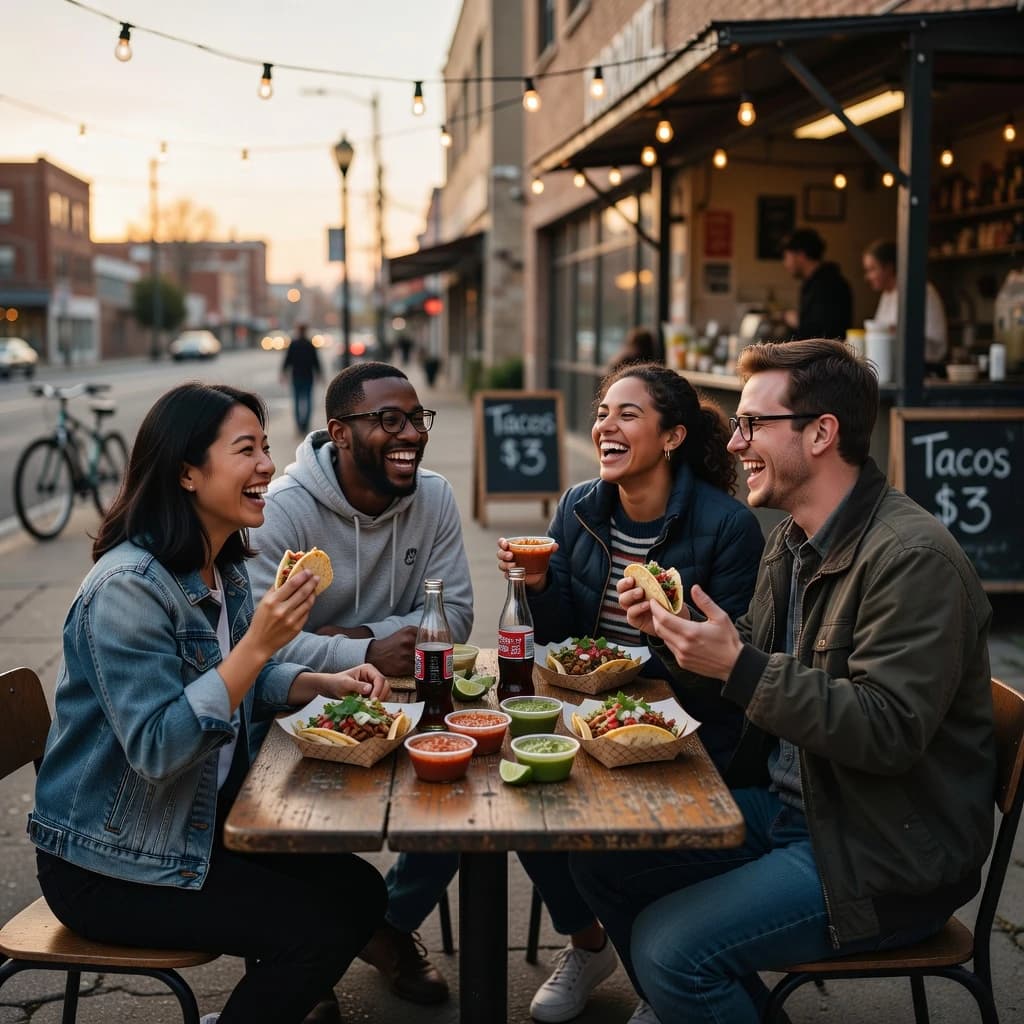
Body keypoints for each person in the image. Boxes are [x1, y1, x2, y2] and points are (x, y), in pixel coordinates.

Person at [572, 339, 995, 1024]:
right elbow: (748, 676)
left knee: (671, 949)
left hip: (879, 854)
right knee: (598, 858)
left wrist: (737, 665)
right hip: (795, 810)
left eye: (752, 425)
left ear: (822, 432)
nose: (736, 445)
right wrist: (679, 639)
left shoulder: (913, 560)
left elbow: (886, 732)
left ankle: (687, 990)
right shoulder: (792, 541)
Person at [27, 383, 390, 1024]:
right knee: (313, 931)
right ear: (187, 472)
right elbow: (160, 747)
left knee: (361, 894)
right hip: (111, 862)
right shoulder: (127, 590)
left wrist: (321, 683)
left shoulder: (220, 565)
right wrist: (257, 645)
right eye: (245, 450)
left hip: (195, 825)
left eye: (267, 448)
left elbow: (246, 676)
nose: (267, 467)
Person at [496, 362, 764, 1023]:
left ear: (672, 437)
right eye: (602, 414)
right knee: (521, 792)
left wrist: (669, 634)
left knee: (602, 837)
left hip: (689, 732)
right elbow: (557, 635)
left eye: (627, 414)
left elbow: (730, 668)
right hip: (591, 714)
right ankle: (590, 946)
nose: (604, 427)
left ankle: (658, 976)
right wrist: (535, 587)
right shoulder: (580, 505)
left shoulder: (728, 526)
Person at [248, 360, 472, 1008]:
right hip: (301, 707)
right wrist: (365, 644)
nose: (410, 433)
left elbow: (454, 615)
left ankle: (387, 930)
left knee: (459, 804)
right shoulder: (282, 511)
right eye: (388, 420)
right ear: (339, 433)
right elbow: (259, 638)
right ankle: (305, 959)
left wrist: (363, 631)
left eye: (416, 418)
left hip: (410, 703)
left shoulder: (435, 497)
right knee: (297, 820)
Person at [863, 238, 949, 373]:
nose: (868, 276)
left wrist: (895, 331)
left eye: (872, 269)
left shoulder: (918, 289)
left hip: (925, 368)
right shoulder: (887, 294)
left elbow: (932, 344)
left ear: (889, 268)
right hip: (894, 366)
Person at [780, 228, 853, 340]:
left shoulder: (829, 285)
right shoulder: (814, 282)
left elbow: (825, 331)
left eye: (786, 257)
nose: (785, 263)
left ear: (800, 255)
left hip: (827, 355)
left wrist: (797, 320)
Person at [281, 323, 323, 434]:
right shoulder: (310, 344)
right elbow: (316, 361)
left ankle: (299, 425)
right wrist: (320, 374)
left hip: (296, 376)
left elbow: (287, 360)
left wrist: (283, 373)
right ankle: (305, 424)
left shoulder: (293, 344)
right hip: (308, 376)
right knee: (308, 400)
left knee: (296, 401)